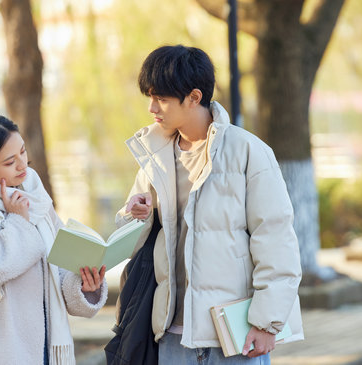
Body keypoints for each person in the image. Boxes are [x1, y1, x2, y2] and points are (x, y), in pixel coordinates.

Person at [115, 45, 304, 364]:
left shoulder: (248, 153)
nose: (152, 108)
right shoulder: (155, 157)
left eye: (161, 98)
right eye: (150, 97)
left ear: (194, 97)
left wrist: (267, 323)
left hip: (235, 335)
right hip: (172, 335)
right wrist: (135, 214)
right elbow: (129, 241)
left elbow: (275, 239)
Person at [0, 111, 107, 364]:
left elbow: (58, 264)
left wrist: (83, 286)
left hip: (44, 347)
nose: (23, 165)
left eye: (23, 152)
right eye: (9, 161)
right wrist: (17, 221)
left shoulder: (34, 195)